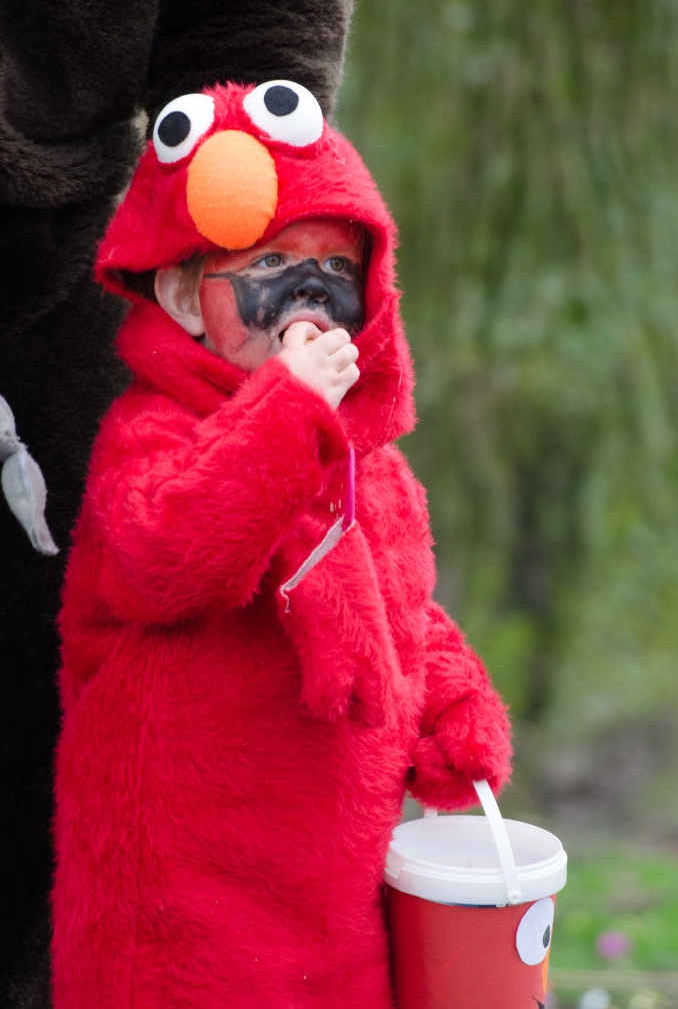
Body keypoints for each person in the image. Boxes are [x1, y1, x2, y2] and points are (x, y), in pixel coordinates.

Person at [52, 79, 512, 1009]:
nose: (307, 290)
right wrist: (289, 410)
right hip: (182, 898)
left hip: (329, 891)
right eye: (266, 261)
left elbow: (400, 604)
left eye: (333, 266)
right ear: (184, 296)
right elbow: (171, 558)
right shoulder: (152, 435)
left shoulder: (372, 466)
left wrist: (454, 701)